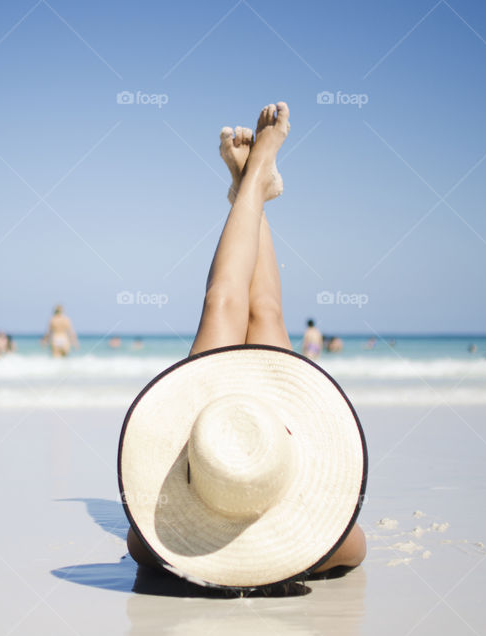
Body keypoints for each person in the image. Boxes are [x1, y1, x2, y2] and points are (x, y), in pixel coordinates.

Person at [125, 102, 364, 578]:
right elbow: (353, 545)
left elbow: (141, 538)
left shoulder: (151, 548)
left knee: (224, 305)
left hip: (214, 425)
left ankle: (251, 185)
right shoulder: (329, 551)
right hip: (267, 425)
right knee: (259, 311)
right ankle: (253, 182)